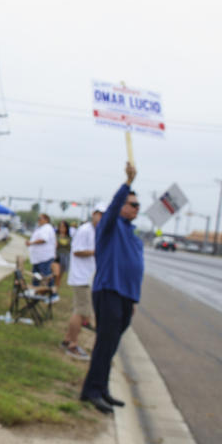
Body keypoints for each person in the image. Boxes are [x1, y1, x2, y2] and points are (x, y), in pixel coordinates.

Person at [80, 163, 144, 414]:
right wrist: (127, 183)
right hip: (109, 291)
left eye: (138, 205)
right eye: (133, 204)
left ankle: (101, 387)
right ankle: (92, 391)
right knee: (104, 343)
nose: (136, 208)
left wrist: (135, 300)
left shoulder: (133, 234)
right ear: (122, 207)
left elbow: (135, 268)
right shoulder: (111, 226)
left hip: (127, 297)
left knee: (111, 345)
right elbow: (114, 207)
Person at [61, 204, 105, 361]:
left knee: (81, 311)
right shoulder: (86, 230)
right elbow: (77, 251)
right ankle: (72, 345)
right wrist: (96, 252)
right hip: (81, 278)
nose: (101, 218)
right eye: (100, 214)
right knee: (81, 312)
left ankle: (67, 339)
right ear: (94, 214)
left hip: (87, 277)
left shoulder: (95, 231)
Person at [25, 213, 57, 290]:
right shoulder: (42, 228)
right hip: (39, 258)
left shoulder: (47, 228)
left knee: (46, 276)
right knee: (37, 275)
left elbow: (43, 239)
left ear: (46, 220)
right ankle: (35, 291)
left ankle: (51, 293)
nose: (38, 220)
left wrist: (31, 243)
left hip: (44, 257)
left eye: (40, 218)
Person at [53, 220, 72, 289]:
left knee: (59, 276)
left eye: (63, 227)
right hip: (56, 257)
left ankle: (55, 290)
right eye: (60, 227)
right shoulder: (55, 236)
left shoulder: (69, 237)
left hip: (65, 258)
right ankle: (52, 288)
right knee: (55, 274)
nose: (61, 228)